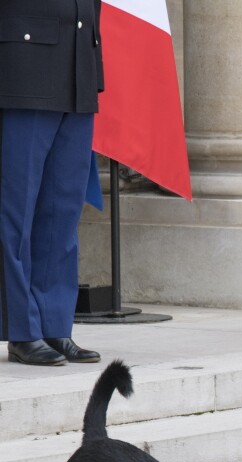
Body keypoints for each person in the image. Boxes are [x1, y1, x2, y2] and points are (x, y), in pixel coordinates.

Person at [0, 0, 104, 365]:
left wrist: (93, 65)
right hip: (20, 68)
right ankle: (21, 330)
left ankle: (54, 323)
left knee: (62, 212)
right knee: (15, 213)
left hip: (76, 65)